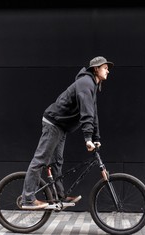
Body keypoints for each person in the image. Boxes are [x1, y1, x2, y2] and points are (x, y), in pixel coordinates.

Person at [21, 56, 114, 209]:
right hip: (53, 123)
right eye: (105, 67)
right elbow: (86, 113)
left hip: (61, 126)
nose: (108, 70)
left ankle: (59, 196)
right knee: (40, 160)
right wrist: (87, 138)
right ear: (96, 69)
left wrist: (95, 137)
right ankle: (28, 199)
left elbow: (93, 114)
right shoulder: (85, 83)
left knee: (57, 162)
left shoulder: (93, 86)